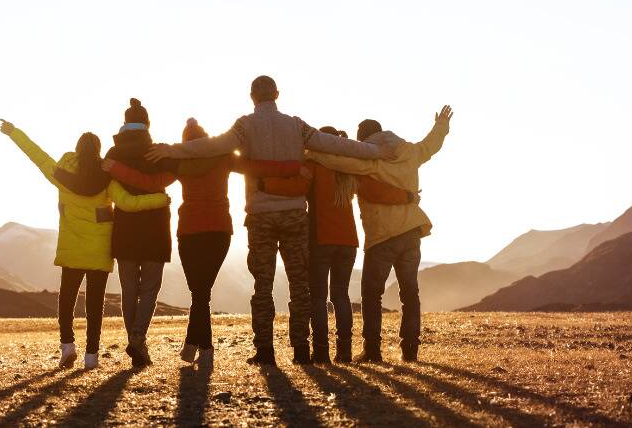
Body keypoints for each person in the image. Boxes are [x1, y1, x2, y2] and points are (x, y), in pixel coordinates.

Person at [146, 75, 393, 366]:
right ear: (277, 94)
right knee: (299, 285)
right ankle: (301, 351)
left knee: (262, 286)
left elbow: (211, 146)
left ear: (252, 97)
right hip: (293, 214)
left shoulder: (244, 125)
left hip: (261, 215)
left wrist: (172, 149)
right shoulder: (296, 125)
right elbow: (336, 145)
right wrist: (377, 152)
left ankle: (265, 352)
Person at [104, 118, 302, 369]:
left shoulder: (180, 162)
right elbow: (256, 167)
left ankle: (200, 348)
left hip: (190, 232)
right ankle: (197, 349)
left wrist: (114, 168)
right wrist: (293, 167)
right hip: (219, 231)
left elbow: (149, 183)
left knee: (199, 294)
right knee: (201, 294)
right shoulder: (223, 156)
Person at [0, 119, 170, 370]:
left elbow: (36, 154)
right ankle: (92, 355)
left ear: (78, 150)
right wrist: (159, 199)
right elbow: (128, 203)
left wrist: (14, 132)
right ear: (98, 151)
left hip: (72, 249)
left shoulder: (60, 173)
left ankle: (67, 346)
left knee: (67, 299)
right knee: (94, 305)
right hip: (99, 251)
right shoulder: (107, 179)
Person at [303, 105, 452, 363]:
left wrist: (312, 152)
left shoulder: (369, 160)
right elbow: (431, 145)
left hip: (382, 236)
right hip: (411, 231)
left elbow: (340, 161)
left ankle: (372, 351)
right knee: (410, 292)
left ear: (362, 140)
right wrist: (441, 125)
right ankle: (410, 351)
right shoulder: (410, 152)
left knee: (372, 294)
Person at [261, 126, 416, 364]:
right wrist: (407, 196)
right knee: (341, 296)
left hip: (321, 240)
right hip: (348, 242)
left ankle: (321, 352)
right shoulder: (349, 169)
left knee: (318, 297)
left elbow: (296, 188)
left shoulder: (314, 165)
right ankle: (344, 352)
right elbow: (376, 191)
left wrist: (265, 184)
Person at [104, 98, 181, 369]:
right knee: (149, 289)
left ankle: (134, 339)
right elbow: (173, 174)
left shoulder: (113, 154)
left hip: (124, 228)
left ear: (124, 124)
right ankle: (138, 338)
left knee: (128, 289)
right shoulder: (158, 152)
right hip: (155, 227)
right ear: (147, 124)